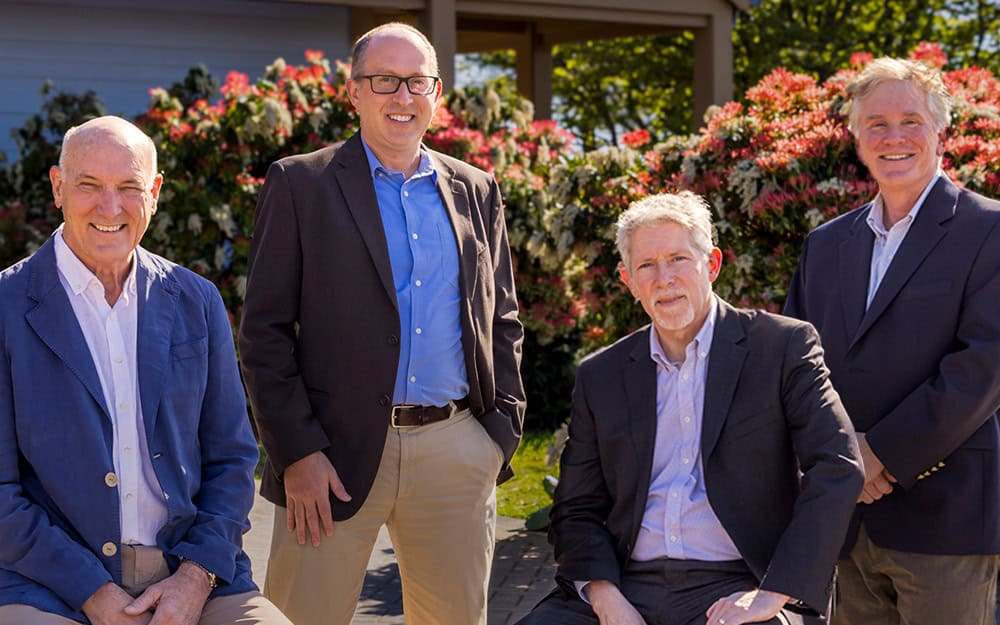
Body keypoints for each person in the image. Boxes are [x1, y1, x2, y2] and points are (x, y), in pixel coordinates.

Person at [238, 22, 526, 625]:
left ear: (437, 93)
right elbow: (264, 333)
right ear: (354, 93)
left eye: (417, 82)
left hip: (456, 447)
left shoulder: (475, 188)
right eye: (384, 81)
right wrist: (296, 453)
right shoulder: (301, 184)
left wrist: (496, 434)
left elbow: (500, 314)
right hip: (330, 456)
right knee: (302, 617)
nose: (402, 97)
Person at [517, 192, 863, 625]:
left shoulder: (781, 347)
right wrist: (606, 599)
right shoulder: (601, 375)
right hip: (625, 581)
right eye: (647, 265)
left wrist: (774, 592)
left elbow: (838, 467)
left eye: (678, 258)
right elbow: (576, 506)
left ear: (712, 264)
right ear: (628, 280)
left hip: (739, 581)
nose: (664, 278)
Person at [0, 116, 291, 625]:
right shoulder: (5, 306)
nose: (109, 207)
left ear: (154, 193)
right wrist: (92, 590)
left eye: (129, 187)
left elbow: (232, 458)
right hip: (45, 584)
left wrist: (196, 576)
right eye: (89, 185)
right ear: (58, 187)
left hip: (192, 574)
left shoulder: (196, 300)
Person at [784, 57, 1000, 625]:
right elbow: (795, 368)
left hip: (947, 518)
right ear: (856, 138)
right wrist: (837, 463)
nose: (894, 136)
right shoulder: (826, 245)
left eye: (910, 120)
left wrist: (876, 456)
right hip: (845, 525)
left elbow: (982, 368)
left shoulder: (990, 230)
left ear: (940, 131)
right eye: (876, 123)